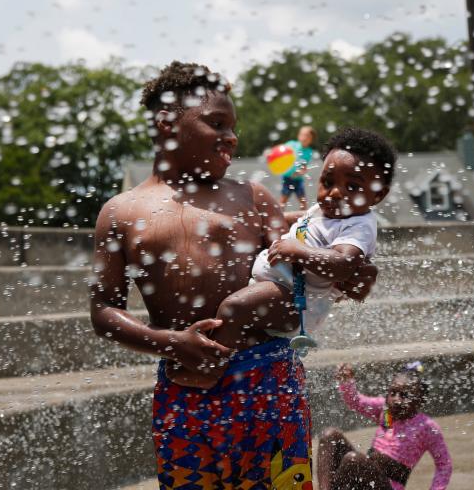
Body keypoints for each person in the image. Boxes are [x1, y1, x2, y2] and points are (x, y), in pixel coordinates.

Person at [90, 62, 378, 488]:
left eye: (233, 125)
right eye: (216, 123)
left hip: (268, 381)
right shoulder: (121, 212)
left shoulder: (252, 197)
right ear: (168, 122)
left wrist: (351, 277)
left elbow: (306, 270)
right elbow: (103, 311)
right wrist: (172, 343)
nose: (231, 136)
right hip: (184, 389)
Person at [169, 127, 395, 389]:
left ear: (378, 194)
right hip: (281, 287)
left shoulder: (359, 225)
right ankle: (227, 358)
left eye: (352, 186)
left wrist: (296, 251)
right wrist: (249, 219)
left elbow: (344, 264)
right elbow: (289, 220)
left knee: (236, 308)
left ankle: (210, 370)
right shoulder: (326, 211)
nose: (334, 193)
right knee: (229, 301)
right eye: (328, 182)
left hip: (297, 301)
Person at [318, 363, 452, 490]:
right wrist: (346, 381)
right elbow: (356, 402)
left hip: (388, 486)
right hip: (365, 474)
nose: (396, 399)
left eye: (404, 395)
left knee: (353, 459)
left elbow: (444, 465)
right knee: (330, 435)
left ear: (420, 399)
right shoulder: (385, 410)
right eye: (393, 393)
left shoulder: (427, 427)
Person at [280, 126, 317, 209]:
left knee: (303, 202)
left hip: (298, 180)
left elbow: (304, 166)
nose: (304, 137)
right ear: (298, 136)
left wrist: (301, 171)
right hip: (287, 178)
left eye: (307, 136)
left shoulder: (309, 151)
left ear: (311, 139)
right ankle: (278, 218)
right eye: (302, 134)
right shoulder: (291, 144)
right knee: (283, 201)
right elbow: (279, 151)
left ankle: (305, 219)